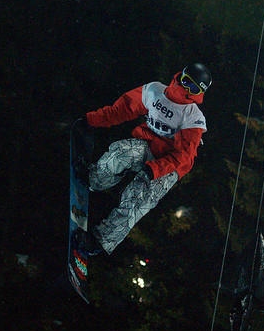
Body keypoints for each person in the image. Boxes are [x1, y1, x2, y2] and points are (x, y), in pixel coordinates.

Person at [80, 63, 212, 255]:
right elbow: (122, 109)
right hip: (149, 145)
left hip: (169, 166)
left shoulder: (193, 118)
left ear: (200, 93)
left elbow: (183, 155)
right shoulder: (154, 91)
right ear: (179, 76)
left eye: (194, 89)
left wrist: (154, 169)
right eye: (186, 82)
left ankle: (99, 241)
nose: (187, 90)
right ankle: (95, 179)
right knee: (122, 152)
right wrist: (91, 120)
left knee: (138, 196)